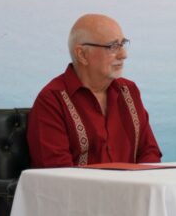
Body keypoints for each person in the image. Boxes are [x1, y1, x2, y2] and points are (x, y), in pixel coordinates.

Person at [27, 14, 162, 167]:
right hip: (78, 184)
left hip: (132, 183)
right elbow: (57, 171)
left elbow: (149, 152)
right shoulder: (52, 100)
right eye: (112, 46)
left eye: (123, 44)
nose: (123, 55)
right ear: (82, 55)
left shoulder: (129, 90)